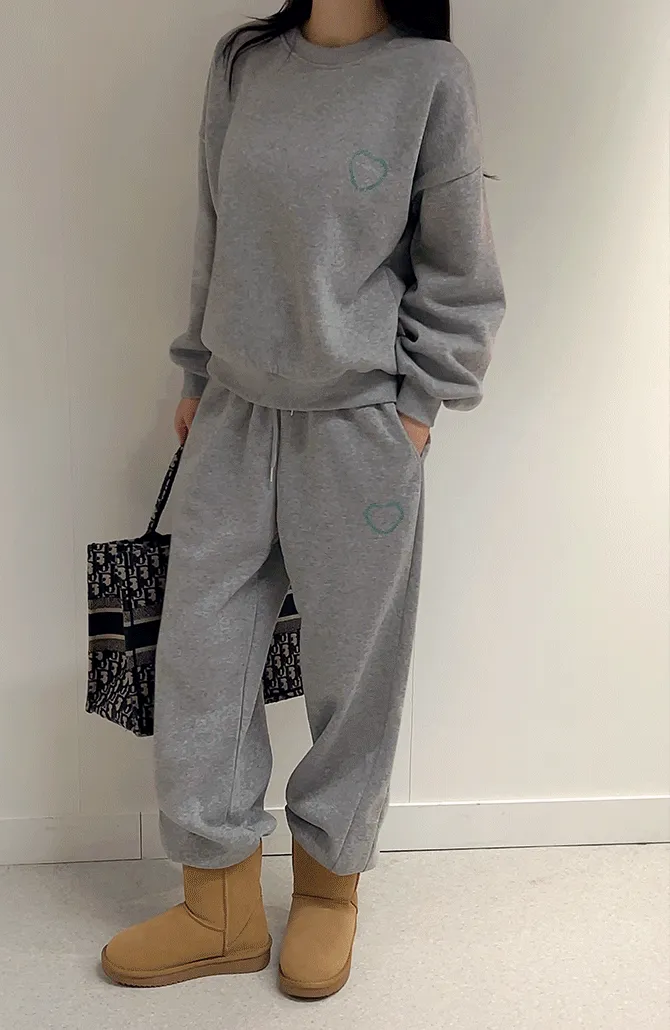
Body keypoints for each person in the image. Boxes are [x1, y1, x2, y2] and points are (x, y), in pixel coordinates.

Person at [101, 0, 505, 1000]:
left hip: (359, 429)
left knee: (352, 674)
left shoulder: (429, 77)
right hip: (233, 416)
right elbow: (214, 227)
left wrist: (416, 411)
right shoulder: (245, 63)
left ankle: (329, 890)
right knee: (199, 659)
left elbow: (460, 269)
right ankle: (221, 909)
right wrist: (196, 373)